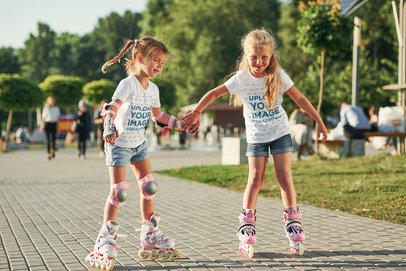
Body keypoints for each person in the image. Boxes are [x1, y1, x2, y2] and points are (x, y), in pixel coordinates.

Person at [182, 28, 327, 258]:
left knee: (284, 177)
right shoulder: (241, 79)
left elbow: (299, 98)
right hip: (257, 137)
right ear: (246, 55)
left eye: (264, 58)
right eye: (254, 58)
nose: (259, 62)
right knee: (255, 178)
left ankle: (293, 221)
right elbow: (213, 94)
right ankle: (246, 223)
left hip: (280, 132)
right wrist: (197, 111)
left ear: (271, 56)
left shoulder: (278, 74)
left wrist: (319, 121)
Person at [85, 37, 193, 270]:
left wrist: (181, 124)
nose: (159, 66)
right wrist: (109, 125)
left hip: (139, 145)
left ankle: (149, 234)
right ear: (139, 58)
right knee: (119, 193)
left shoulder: (153, 89)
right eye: (155, 60)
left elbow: (158, 117)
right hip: (118, 144)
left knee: (149, 187)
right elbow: (111, 108)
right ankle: (105, 239)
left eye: (162, 63)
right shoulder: (128, 84)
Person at [40, 96, 60, 160]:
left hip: (54, 124)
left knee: (53, 139)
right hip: (47, 124)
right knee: (47, 139)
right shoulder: (45, 109)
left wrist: (58, 127)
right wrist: (42, 126)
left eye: (53, 101)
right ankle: (48, 153)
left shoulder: (56, 108)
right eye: (50, 101)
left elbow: (58, 118)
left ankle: (53, 151)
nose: (52, 102)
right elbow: (43, 118)